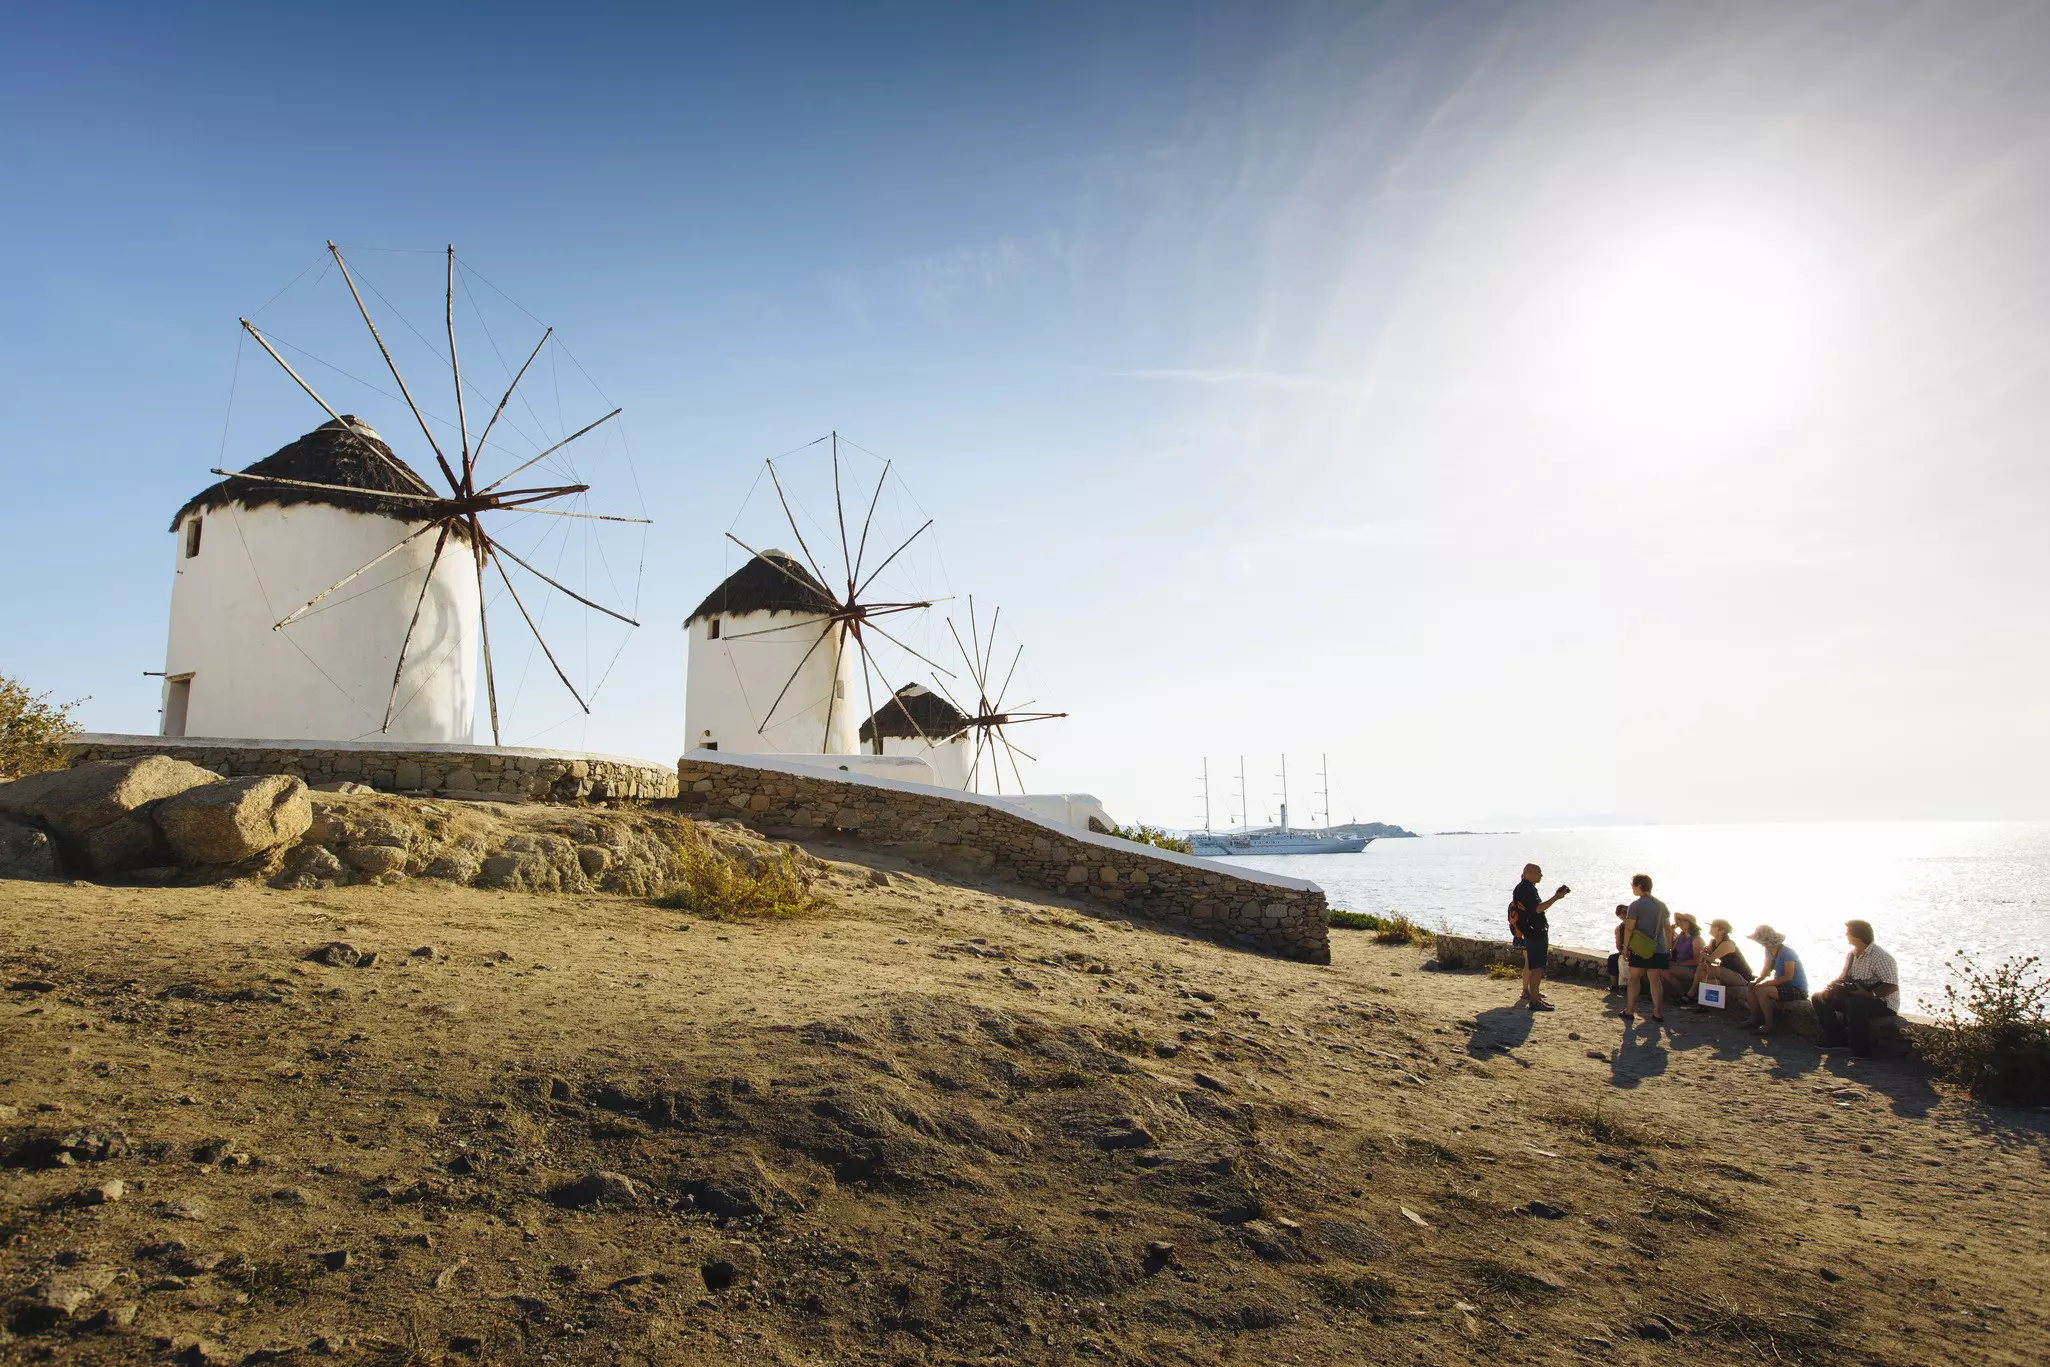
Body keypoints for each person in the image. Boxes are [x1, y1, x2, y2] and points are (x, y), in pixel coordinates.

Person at [1813, 920, 1900, 1055]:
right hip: (1857, 996)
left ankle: (1860, 1049)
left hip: (1883, 1002)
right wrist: (1830, 988)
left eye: (1848, 933)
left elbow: (1891, 986)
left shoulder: (1881, 957)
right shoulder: (1852, 955)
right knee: (1819, 998)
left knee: (1855, 1003)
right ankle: (1837, 1039)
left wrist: (1869, 995)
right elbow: (1843, 977)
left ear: (1858, 936)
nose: (1845, 935)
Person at [1507, 863, 1570, 1011]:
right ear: (1528, 873)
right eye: (1538, 873)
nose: (1541, 875)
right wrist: (1556, 897)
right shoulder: (1527, 889)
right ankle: (1535, 1001)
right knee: (1537, 967)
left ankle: (1536, 997)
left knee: (1535, 965)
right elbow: (1538, 908)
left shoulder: (1523, 888)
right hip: (1534, 931)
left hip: (1531, 930)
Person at [1615, 874, 1671, 1023]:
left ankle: (1629, 1010)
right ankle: (1657, 1012)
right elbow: (1667, 928)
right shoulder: (1661, 905)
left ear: (1639, 886)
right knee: (1655, 980)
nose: (1632, 888)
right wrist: (1668, 948)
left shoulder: (1636, 905)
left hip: (1640, 947)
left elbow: (1629, 928)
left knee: (1634, 978)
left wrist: (1626, 947)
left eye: (1633, 885)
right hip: (1658, 947)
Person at [1742, 925, 1807, 1033]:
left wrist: (1767, 983)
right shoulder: (1768, 950)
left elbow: (1788, 976)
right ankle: (1754, 1018)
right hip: (1781, 985)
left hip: (1796, 987)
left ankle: (1769, 1025)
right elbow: (1766, 969)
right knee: (1752, 986)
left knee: (1761, 991)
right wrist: (1757, 981)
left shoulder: (1787, 952)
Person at [1688, 918, 1754, 1011]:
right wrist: (1706, 952)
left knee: (1704, 967)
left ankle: (1692, 993)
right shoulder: (1714, 941)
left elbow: (1711, 958)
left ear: (1721, 931)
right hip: (1728, 972)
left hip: (1741, 976)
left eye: (1713, 926)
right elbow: (1709, 957)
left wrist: (1702, 953)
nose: (1710, 928)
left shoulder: (1727, 944)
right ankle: (1706, 1002)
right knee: (1703, 973)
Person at [1662, 912, 1701, 1003]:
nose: (1680, 922)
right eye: (1680, 920)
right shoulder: (1681, 936)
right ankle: (1671, 995)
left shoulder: (1697, 939)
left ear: (1690, 924)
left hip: (1691, 968)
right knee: (1659, 968)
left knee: (1666, 971)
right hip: (1679, 965)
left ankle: (1684, 995)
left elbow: (1696, 961)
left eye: (1684, 920)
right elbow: (1671, 949)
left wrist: (1678, 964)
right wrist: (1670, 933)